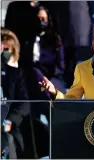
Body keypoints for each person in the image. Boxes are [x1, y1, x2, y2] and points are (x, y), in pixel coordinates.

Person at [1, 27, 30, 158]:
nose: (3, 53)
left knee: (8, 141)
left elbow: (24, 104)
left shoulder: (15, 74)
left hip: (7, 129)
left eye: (7, 50)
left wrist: (9, 122)